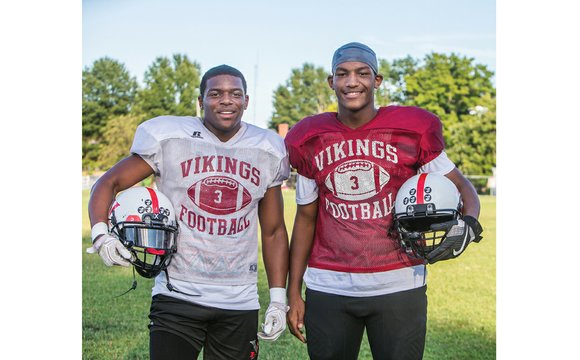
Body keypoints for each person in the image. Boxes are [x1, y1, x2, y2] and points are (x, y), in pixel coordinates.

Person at [284, 42, 483, 360]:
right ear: (331, 81)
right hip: (329, 283)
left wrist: (470, 223)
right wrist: (293, 291)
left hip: (399, 281)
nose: (352, 82)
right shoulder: (309, 137)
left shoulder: (412, 129)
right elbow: (305, 218)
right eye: (343, 74)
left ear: (376, 81)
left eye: (362, 73)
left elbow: (463, 189)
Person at [87, 64, 290, 360]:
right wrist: (101, 236)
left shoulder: (267, 147)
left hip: (240, 299)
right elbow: (109, 182)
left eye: (235, 94)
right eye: (215, 93)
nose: (226, 100)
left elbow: (273, 231)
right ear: (200, 100)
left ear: (246, 101)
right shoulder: (170, 137)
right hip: (176, 294)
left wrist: (277, 300)